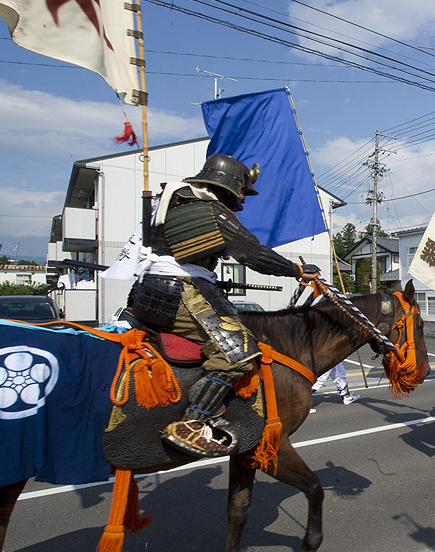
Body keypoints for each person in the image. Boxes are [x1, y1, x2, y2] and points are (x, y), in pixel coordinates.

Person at [128, 153, 321, 457]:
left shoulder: (177, 202)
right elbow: (253, 254)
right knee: (237, 352)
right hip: (180, 290)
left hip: (154, 288)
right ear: (228, 185)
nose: (243, 199)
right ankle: (192, 421)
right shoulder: (211, 211)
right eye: (242, 190)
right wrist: (297, 271)